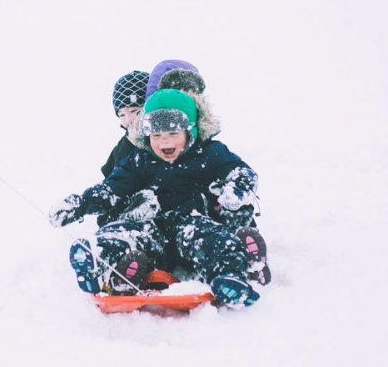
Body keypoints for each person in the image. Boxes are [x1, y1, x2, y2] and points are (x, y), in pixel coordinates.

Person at [51, 89, 267, 307]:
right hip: (153, 227)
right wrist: (81, 204)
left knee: (212, 239)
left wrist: (237, 189)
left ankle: (229, 276)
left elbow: (240, 171)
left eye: (173, 134)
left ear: (191, 131)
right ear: (146, 136)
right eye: (156, 136)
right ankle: (102, 261)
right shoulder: (140, 159)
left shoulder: (210, 153)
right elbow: (113, 188)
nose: (164, 142)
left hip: (194, 222)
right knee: (124, 233)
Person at [99, 70, 149, 179]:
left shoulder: (161, 140)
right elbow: (110, 176)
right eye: (122, 115)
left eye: (134, 111)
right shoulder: (124, 144)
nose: (128, 120)